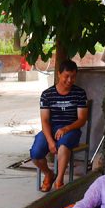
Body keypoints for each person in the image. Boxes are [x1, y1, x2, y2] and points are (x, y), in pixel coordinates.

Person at [30, 59, 88, 192]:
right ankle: (49, 174)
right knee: (35, 153)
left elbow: (82, 119)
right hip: (51, 128)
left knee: (63, 146)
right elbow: (44, 120)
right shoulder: (47, 94)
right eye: (66, 76)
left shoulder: (80, 93)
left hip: (71, 129)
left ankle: (59, 182)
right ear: (58, 74)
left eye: (73, 77)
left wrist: (66, 128)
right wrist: (50, 141)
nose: (69, 80)